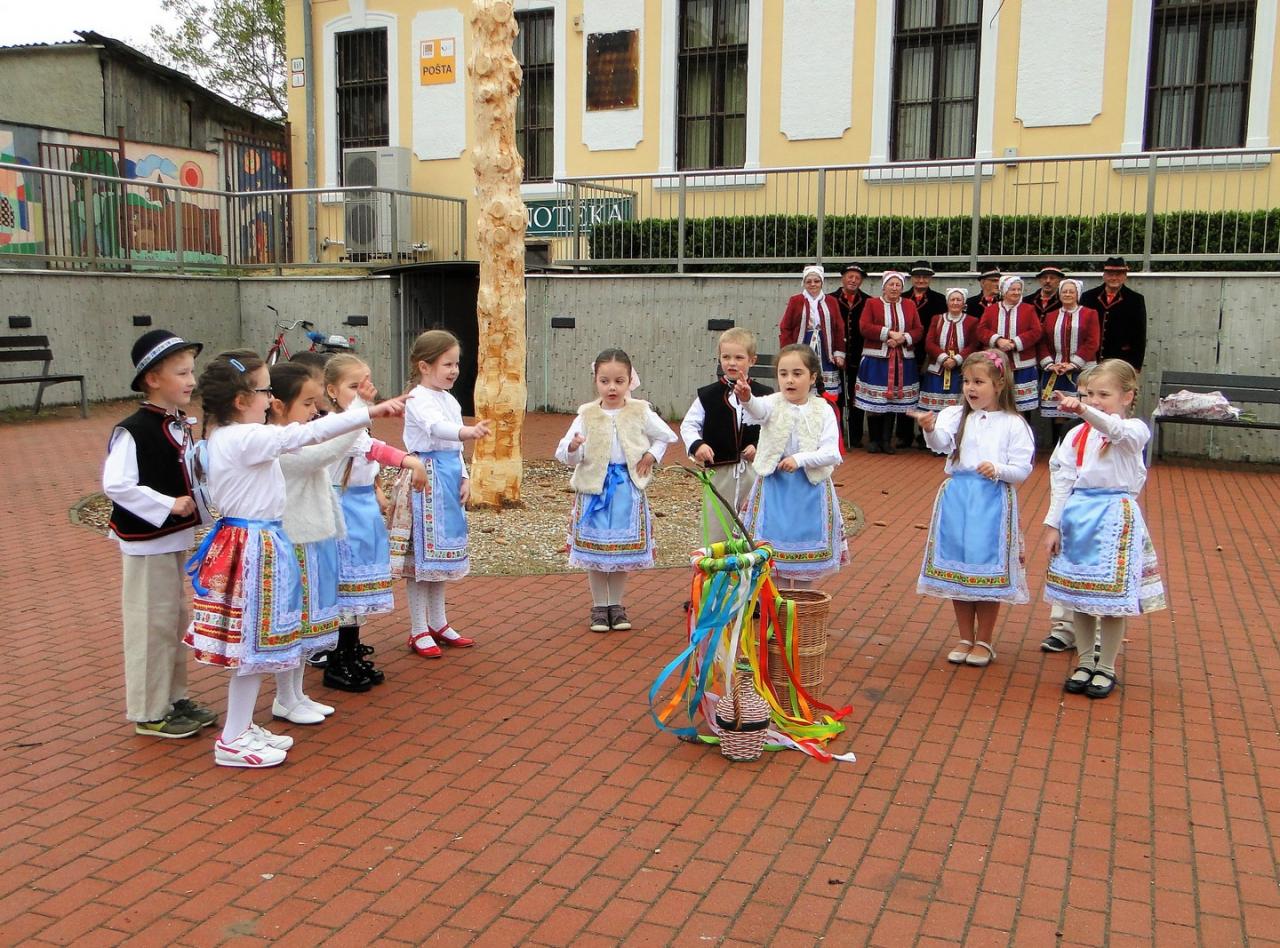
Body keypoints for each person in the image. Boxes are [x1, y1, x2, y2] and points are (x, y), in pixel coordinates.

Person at [184, 350, 408, 768]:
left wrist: (361, 411)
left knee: (257, 645)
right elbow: (306, 436)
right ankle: (232, 739)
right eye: (264, 390)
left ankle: (240, 727)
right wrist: (366, 410)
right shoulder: (242, 438)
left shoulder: (235, 436)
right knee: (253, 647)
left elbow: (308, 436)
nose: (270, 398)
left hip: (259, 540)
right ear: (241, 400)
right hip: (252, 544)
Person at [103, 329, 218, 739]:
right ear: (152, 379)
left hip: (171, 539)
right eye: (182, 373)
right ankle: (149, 711)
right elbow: (116, 484)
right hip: (146, 542)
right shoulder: (134, 430)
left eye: (192, 372)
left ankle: (173, 697)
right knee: (150, 624)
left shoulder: (178, 424)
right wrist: (167, 503)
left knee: (172, 620)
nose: (191, 380)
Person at [1043, 359, 1166, 698]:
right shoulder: (1075, 435)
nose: (1094, 401)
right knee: (1080, 596)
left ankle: (1106, 666)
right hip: (1079, 515)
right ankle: (1085, 661)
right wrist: (1053, 524)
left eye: (1104, 394)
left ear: (1127, 397)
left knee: (1111, 601)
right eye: (1089, 394)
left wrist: (1083, 409)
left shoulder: (1134, 430)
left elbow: (1115, 431)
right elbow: (1063, 480)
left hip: (1114, 516)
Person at [910, 350, 1034, 667]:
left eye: (978, 382)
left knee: (985, 567)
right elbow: (940, 444)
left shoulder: (1013, 423)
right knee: (959, 567)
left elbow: (1022, 468)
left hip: (991, 501)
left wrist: (998, 469)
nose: (970, 388)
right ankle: (965, 636)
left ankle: (985, 640)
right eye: (966, 381)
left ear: (999, 384)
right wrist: (929, 428)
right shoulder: (956, 416)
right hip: (958, 499)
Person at [267, 362, 366, 723]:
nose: (315, 411)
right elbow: (325, 453)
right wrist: (360, 412)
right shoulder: (275, 442)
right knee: (294, 620)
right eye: (307, 403)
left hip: (311, 539)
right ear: (279, 405)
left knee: (307, 621)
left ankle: (296, 694)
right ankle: (284, 697)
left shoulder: (296, 436)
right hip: (294, 538)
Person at [322, 354, 428, 688]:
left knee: (358, 586)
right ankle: (337, 659)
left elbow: (370, 453)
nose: (363, 392)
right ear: (332, 391)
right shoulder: (334, 424)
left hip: (362, 509)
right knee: (344, 586)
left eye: (366, 384)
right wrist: (411, 461)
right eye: (354, 386)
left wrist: (378, 488)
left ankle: (351, 650)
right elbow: (370, 449)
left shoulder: (357, 423)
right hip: (343, 510)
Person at [556, 349, 677, 632]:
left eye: (619, 381)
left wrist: (651, 455)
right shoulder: (586, 414)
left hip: (626, 488)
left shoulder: (640, 411)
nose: (612, 388)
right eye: (605, 381)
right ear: (596, 381)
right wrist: (573, 447)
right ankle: (599, 606)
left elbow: (665, 436)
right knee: (596, 551)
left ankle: (616, 604)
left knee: (621, 552)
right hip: (594, 490)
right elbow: (567, 452)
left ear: (629, 381)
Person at [388, 330, 492, 659]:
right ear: (424, 366)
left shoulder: (450, 399)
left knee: (440, 557)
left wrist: (465, 476)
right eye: (447, 364)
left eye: (456, 364)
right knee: (422, 559)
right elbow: (436, 428)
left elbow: (455, 448)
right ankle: (418, 628)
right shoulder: (418, 398)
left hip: (446, 478)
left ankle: (439, 621)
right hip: (425, 479)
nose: (454, 370)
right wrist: (468, 431)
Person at [740, 344, 847, 589]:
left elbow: (831, 452)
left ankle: (800, 605)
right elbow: (757, 409)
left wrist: (800, 459)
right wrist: (746, 398)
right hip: (775, 488)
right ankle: (776, 607)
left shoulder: (823, 410)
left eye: (797, 374)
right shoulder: (773, 403)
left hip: (809, 490)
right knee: (772, 559)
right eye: (783, 373)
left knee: (804, 567)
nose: (789, 380)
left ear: (813, 377)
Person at [680, 328, 768, 543]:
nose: (732, 363)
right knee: (716, 523)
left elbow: (774, 428)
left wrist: (759, 446)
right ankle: (715, 562)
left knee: (754, 523)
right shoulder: (708, 395)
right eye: (726, 357)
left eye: (739, 358)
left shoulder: (765, 394)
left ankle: (752, 563)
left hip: (754, 471)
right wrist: (698, 445)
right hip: (719, 471)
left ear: (752, 360)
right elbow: (688, 425)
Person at [854, 271, 922, 453]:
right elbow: (864, 327)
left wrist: (903, 338)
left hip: (902, 360)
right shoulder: (872, 303)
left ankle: (886, 440)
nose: (894, 288)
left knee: (893, 402)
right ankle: (874, 440)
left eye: (898, 285)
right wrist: (889, 334)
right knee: (876, 400)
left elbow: (918, 329)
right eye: (891, 284)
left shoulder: (909, 305)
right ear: (884, 287)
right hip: (877, 359)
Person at [778, 264, 846, 399]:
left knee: (826, 388)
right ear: (804, 283)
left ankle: (825, 406)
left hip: (825, 347)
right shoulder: (796, 300)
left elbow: (839, 328)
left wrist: (839, 352)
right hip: (803, 344)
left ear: (822, 282)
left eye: (816, 281)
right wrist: (787, 351)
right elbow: (786, 327)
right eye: (809, 281)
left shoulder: (831, 301)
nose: (813, 284)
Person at [977, 275, 1042, 413]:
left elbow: (1036, 331)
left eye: (1019, 289)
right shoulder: (991, 310)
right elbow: (981, 330)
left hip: (1023, 364)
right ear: (1004, 290)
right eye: (1013, 289)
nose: (1016, 292)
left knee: (1022, 406)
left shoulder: (1029, 309)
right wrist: (998, 340)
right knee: (998, 402)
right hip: (997, 363)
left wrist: (1015, 343)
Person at [904, 261, 949, 448]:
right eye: (917, 276)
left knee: (928, 394)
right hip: (906, 350)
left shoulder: (939, 300)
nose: (921, 280)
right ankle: (904, 435)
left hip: (930, 354)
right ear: (912, 278)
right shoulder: (903, 298)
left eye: (925, 277)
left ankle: (925, 436)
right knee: (906, 395)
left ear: (930, 278)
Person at [1081, 256, 1148, 372]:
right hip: (1091, 359)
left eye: (1118, 275)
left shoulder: (1135, 300)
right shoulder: (1088, 297)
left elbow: (1139, 335)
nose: (1114, 278)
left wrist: (1136, 366)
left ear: (1125, 276)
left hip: (1120, 360)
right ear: (1104, 275)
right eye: (1110, 274)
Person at [919, 288, 979, 412]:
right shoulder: (937, 319)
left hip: (960, 371)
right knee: (933, 409)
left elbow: (973, 344)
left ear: (964, 303)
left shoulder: (972, 321)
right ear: (947, 302)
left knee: (958, 408)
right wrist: (944, 358)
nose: (955, 303)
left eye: (959, 300)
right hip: (937, 369)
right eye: (952, 300)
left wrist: (956, 359)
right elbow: (929, 343)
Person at [835, 263, 872, 448]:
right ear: (843, 278)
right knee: (838, 398)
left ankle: (855, 436)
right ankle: (837, 434)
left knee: (857, 397)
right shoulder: (831, 299)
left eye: (857, 278)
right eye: (850, 276)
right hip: (836, 357)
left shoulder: (868, 301)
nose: (853, 280)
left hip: (859, 356)